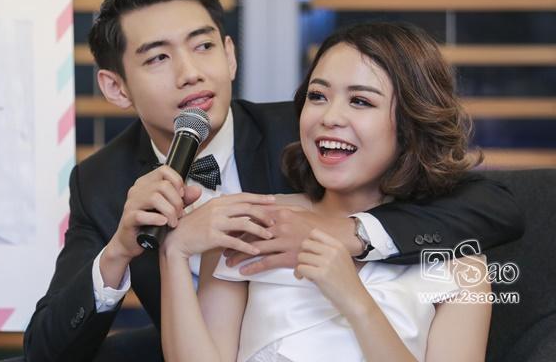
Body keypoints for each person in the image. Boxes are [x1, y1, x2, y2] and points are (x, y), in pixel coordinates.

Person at [23, 0, 521, 362]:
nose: (190, 73)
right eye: (157, 58)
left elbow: (495, 207)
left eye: (203, 46)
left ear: (230, 55)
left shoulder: (307, 135)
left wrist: (349, 236)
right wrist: (125, 250)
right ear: (115, 87)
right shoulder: (101, 183)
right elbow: (46, 348)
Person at [160, 21, 493, 361]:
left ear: (412, 123)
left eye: (360, 101)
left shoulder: (462, 265)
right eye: (318, 96)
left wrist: (356, 302)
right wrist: (173, 252)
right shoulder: (249, 223)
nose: (330, 117)